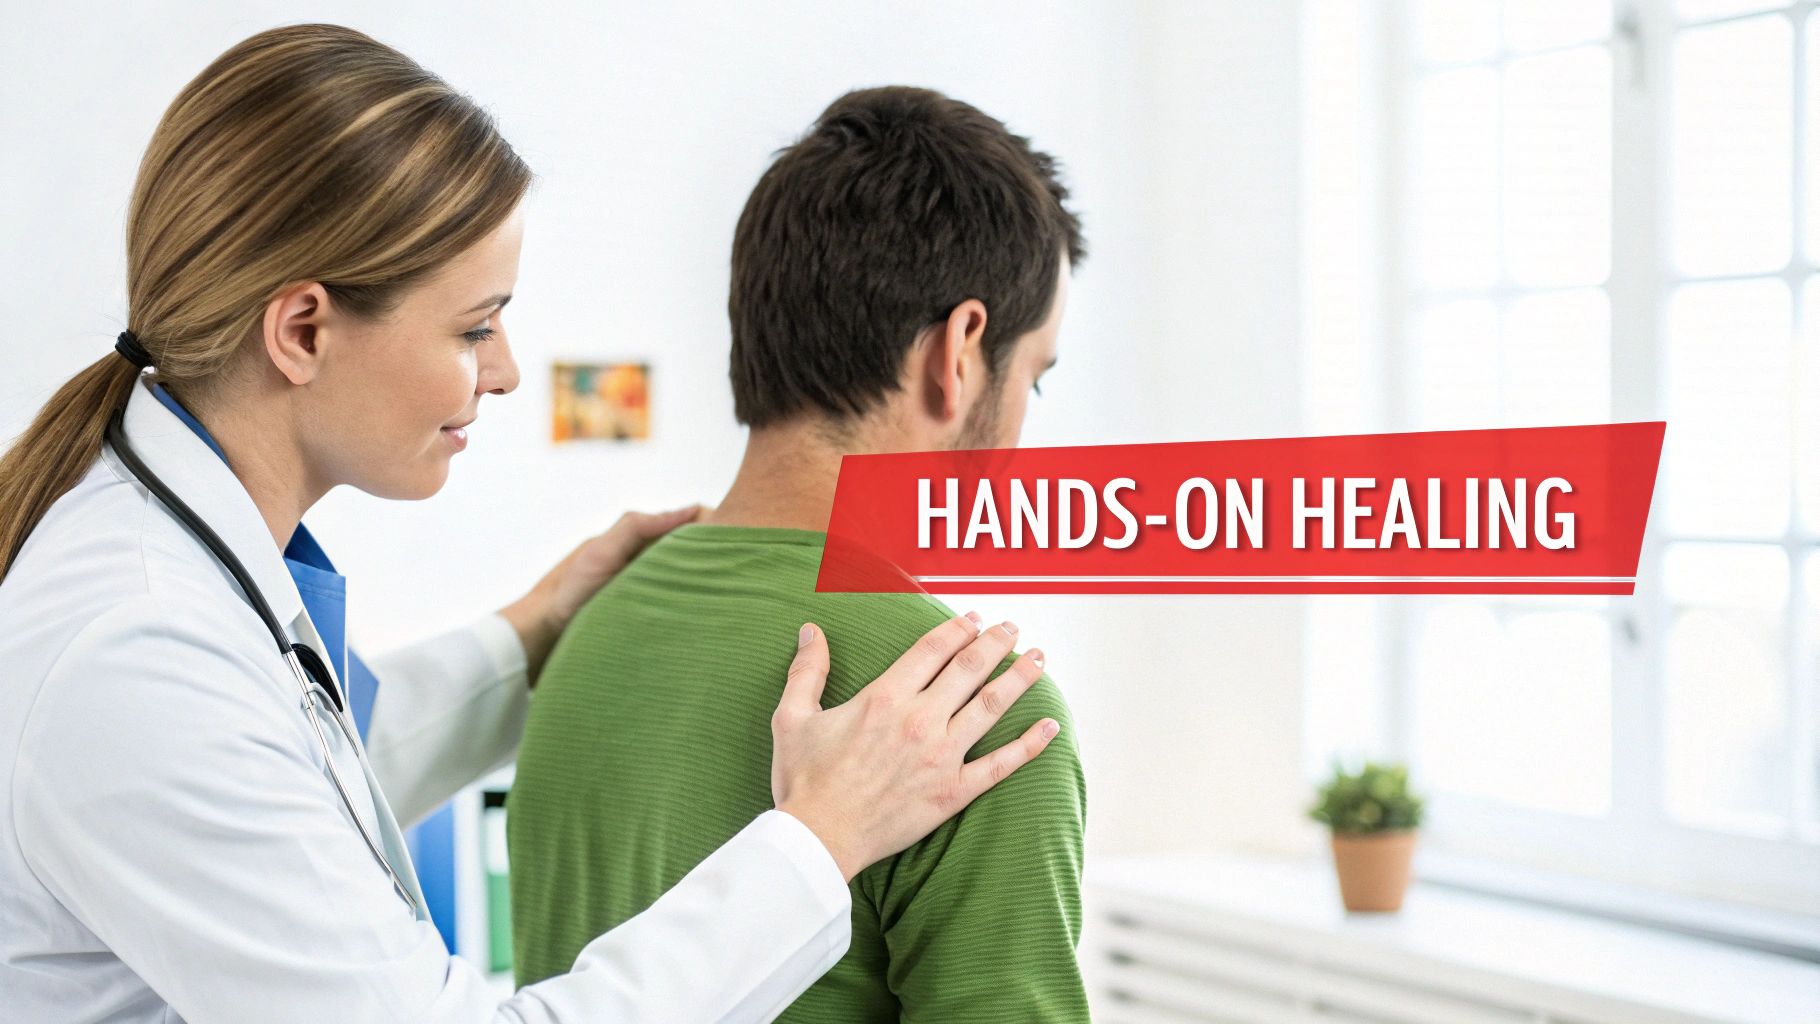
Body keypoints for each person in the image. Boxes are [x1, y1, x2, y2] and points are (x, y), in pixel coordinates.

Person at [0, 27, 1065, 1023]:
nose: (504, 372)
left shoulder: (589, 637)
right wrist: (818, 836)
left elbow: (292, 778)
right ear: (304, 328)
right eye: (474, 327)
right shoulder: (137, 646)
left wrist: (529, 633)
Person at [508, 87, 1090, 1022]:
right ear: (960, 352)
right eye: (1035, 375)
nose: (1026, 420)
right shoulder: (967, 720)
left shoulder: (589, 627)